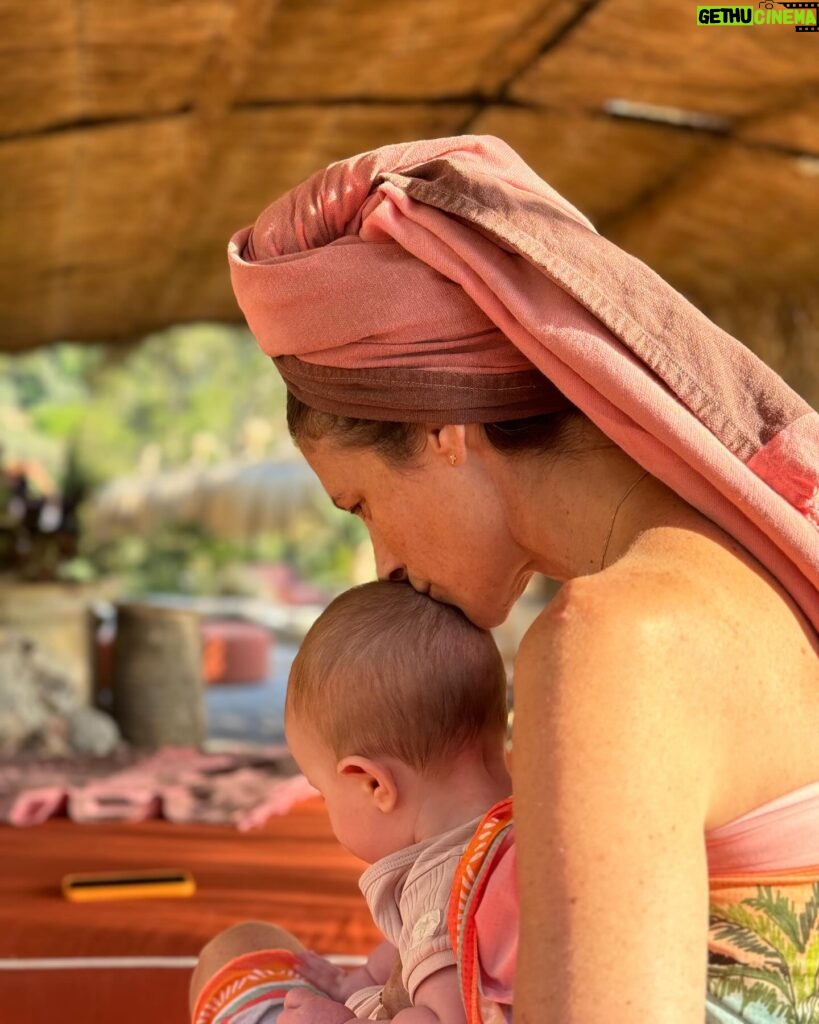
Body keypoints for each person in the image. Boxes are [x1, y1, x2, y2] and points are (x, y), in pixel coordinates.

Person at [226, 135, 819, 1023]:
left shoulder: (617, 642)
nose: (381, 564)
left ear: (439, 431)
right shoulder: (754, 573)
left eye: (361, 505)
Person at [191, 581, 515, 1024]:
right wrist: (361, 977)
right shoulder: (519, 830)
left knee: (237, 947)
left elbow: (442, 1002)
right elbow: (419, 949)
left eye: (323, 793)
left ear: (372, 784)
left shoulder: (447, 891)